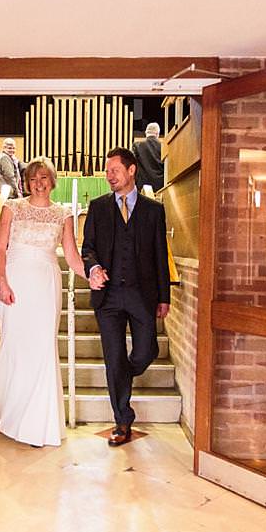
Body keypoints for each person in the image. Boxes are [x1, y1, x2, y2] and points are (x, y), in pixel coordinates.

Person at [0, 157, 86, 447]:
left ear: (52, 181)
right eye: (33, 179)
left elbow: (71, 255)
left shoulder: (64, 214)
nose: (39, 183)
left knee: (43, 348)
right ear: (26, 182)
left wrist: (92, 274)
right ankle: (10, 412)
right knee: (16, 345)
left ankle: (37, 423)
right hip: (15, 281)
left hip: (46, 282)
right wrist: (2, 281)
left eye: (44, 178)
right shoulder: (12, 208)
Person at [82, 148, 170, 446]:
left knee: (146, 351)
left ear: (131, 170)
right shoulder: (98, 207)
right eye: (107, 171)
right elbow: (88, 247)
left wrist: (164, 296)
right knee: (113, 359)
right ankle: (122, 420)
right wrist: (93, 267)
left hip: (142, 295)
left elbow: (161, 254)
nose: (108, 175)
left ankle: (124, 372)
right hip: (108, 299)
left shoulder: (153, 210)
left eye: (114, 170)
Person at [132, 122, 164, 192]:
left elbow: (133, 167)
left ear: (146, 133)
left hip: (142, 188)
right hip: (160, 188)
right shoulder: (163, 147)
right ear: (157, 134)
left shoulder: (137, 146)